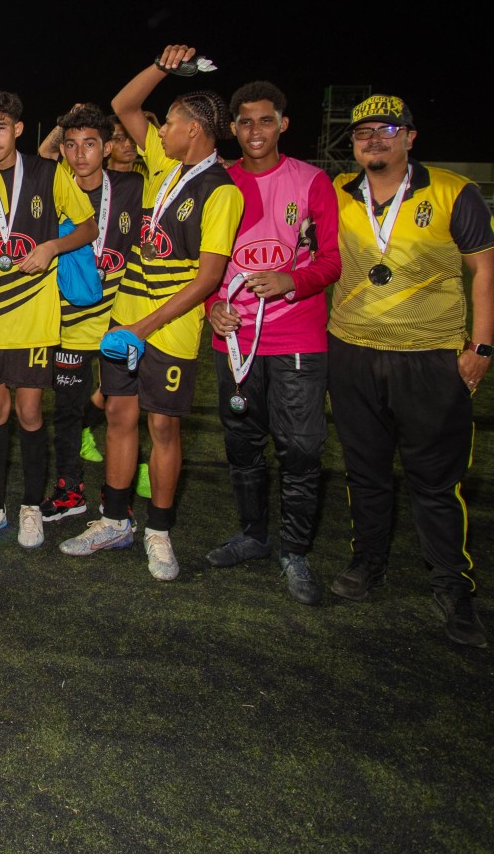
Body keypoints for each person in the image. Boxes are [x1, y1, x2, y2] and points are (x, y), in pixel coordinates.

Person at [325, 94, 494, 647]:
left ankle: (452, 584)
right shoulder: (336, 191)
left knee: (435, 482)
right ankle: (367, 561)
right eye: (362, 133)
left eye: (386, 130)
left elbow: (488, 270)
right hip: (352, 351)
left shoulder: (453, 191)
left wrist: (481, 348)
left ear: (409, 137)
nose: (373, 140)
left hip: (428, 356)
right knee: (365, 472)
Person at [62, 46, 242, 582]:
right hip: (125, 320)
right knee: (119, 418)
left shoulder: (222, 191)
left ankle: (159, 532)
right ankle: (115, 520)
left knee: (163, 426)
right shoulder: (164, 165)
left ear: (194, 129)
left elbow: (208, 279)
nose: (160, 132)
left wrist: (143, 328)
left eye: (171, 124)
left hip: (169, 329)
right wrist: (162, 68)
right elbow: (124, 104)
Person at [201, 81, 342, 605]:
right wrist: (211, 307)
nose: (254, 130)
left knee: (300, 447)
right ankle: (253, 535)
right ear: (232, 128)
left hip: (296, 335)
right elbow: (202, 265)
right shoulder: (219, 183)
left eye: (265, 120)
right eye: (244, 121)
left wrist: (291, 280)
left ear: (283, 124)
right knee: (242, 444)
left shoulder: (311, 181)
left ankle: (296, 551)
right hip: (235, 341)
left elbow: (332, 260)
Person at [0, 90, 97, 550]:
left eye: (0, 127)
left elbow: (88, 226)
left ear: (17, 128)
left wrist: (51, 247)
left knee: (30, 412)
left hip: (34, 315)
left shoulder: (48, 173)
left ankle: (31, 505)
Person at [44, 104, 141, 527]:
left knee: (122, 412)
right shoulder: (53, 184)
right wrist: (64, 120)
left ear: (107, 148)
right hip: (67, 322)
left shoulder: (133, 187)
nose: (79, 153)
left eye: (89, 144)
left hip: (118, 323)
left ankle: (117, 495)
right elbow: (40, 155)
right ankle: (69, 490)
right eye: (71, 145)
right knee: (67, 412)